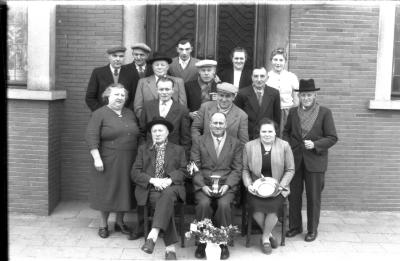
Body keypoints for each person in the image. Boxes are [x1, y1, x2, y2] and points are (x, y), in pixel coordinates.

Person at [283, 79, 338, 242]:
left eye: (309, 95)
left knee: (313, 197)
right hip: (295, 160)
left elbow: (332, 137)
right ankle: (295, 226)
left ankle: (312, 230)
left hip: (315, 162)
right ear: (299, 96)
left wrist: (315, 144)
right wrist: (289, 145)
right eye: (303, 95)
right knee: (294, 196)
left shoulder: (325, 112)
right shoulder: (293, 112)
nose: (306, 98)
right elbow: (286, 132)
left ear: (315, 95)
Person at [85, 83, 140, 238]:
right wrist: (97, 158)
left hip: (129, 159)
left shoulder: (129, 113)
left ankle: (120, 222)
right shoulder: (99, 113)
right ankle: (103, 225)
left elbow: (137, 133)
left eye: (123, 95)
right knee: (107, 191)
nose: (120, 98)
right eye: (116, 94)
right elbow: (91, 136)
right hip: (108, 160)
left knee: (124, 191)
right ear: (107, 96)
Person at [131, 117, 187, 260]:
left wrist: (169, 180)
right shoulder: (144, 149)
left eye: (160, 130)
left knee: (167, 194)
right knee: (162, 200)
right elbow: (135, 173)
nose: (157, 133)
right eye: (154, 131)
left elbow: (184, 171)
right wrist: (153, 180)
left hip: (172, 187)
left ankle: (153, 234)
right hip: (151, 188)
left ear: (167, 132)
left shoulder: (178, 149)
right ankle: (170, 249)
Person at [191, 112, 242, 260]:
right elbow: (194, 167)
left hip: (226, 184)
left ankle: (223, 242)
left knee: (224, 204)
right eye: (215, 123)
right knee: (203, 204)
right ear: (210, 124)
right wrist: (202, 185)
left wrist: (227, 186)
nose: (218, 126)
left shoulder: (235, 143)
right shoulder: (199, 141)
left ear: (226, 125)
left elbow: (237, 169)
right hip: (204, 183)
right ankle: (202, 241)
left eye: (221, 123)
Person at [242, 118, 294, 254]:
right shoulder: (249, 146)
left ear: (276, 132)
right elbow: (245, 170)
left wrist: (281, 186)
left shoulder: (284, 146)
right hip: (256, 187)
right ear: (259, 132)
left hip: (278, 188)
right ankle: (270, 234)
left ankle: (265, 238)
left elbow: (290, 169)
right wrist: (248, 185)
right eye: (264, 131)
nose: (267, 134)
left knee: (273, 208)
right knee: (256, 208)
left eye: (270, 131)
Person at [139, 76, 191, 157]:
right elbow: (142, 131)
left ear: (173, 90)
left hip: (173, 156)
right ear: (157, 90)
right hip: (150, 154)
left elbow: (185, 138)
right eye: (161, 89)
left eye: (167, 89)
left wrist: (184, 158)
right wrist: (144, 150)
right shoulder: (147, 107)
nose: (164, 92)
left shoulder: (182, 110)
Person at [134, 52, 187, 118]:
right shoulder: (142, 82)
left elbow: (183, 106)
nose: (159, 67)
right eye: (156, 65)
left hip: (173, 124)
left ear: (167, 67)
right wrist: (148, 121)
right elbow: (138, 107)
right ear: (152, 67)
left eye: (162, 65)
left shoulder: (178, 82)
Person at [234, 67, 281, 140]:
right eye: (256, 76)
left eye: (262, 76)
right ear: (252, 77)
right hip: (248, 136)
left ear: (267, 78)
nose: (259, 79)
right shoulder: (242, 93)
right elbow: (237, 116)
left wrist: (275, 136)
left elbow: (277, 119)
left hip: (267, 136)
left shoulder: (274, 93)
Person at [86, 46, 136, 111]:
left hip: (124, 116)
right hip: (103, 115)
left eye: (121, 56)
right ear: (109, 57)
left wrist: (126, 112)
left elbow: (134, 97)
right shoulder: (98, 72)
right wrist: (102, 112)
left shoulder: (131, 73)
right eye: (114, 56)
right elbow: (90, 97)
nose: (118, 59)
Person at [266, 48, 299, 136]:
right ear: (271, 60)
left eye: (281, 60)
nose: (278, 63)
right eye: (275, 59)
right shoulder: (267, 76)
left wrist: (294, 113)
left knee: (286, 135)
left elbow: (296, 97)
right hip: (271, 111)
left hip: (287, 111)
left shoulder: (291, 76)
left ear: (285, 61)